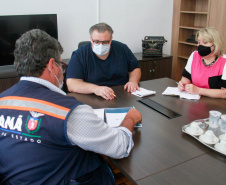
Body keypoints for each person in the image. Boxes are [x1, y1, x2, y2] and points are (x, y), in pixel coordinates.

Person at [0, 29, 142, 185]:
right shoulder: (69, 112)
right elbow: (119, 146)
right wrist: (130, 118)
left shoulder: (2, 100)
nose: (62, 70)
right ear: (51, 65)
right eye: (61, 64)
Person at [66, 22, 141, 100]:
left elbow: (135, 68)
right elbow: (72, 84)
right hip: (92, 97)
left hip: (122, 94)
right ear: (91, 40)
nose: (101, 45)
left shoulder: (122, 49)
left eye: (105, 42)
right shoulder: (79, 54)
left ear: (111, 39)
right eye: (97, 42)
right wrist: (96, 89)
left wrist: (133, 81)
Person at [178, 27, 226, 99]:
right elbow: (185, 80)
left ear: (215, 45)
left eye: (205, 42)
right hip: (195, 100)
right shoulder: (194, 55)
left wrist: (198, 90)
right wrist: (182, 85)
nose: (200, 46)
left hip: (215, 104)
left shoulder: (224, 61)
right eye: (199, 42)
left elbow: (224, 93)